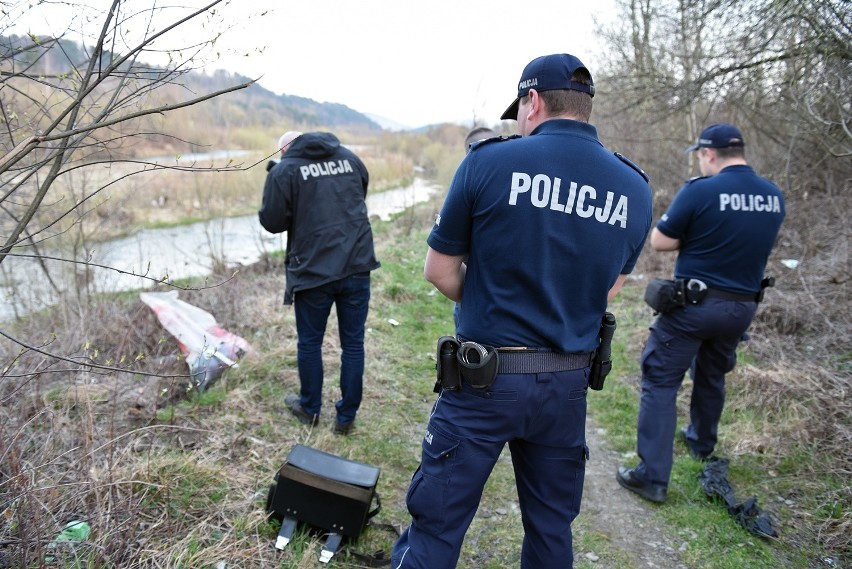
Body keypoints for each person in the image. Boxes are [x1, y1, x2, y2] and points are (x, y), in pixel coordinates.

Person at [391, 53, 653, 569]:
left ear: (533, 101)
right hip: (566, 386)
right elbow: (607, 291)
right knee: (552, 530)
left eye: (520, 110)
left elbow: (440, 271)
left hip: (483, 381)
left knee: (437, 527)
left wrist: (490, 296)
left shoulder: (488, 163)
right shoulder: (635, 188)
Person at [616, 123, 785, 503]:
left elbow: (661, 241)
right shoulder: (773, 196)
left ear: (708, 154)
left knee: (660, 380)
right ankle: (701, 443)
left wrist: (699, 234)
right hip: (742, 307)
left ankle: (652, 477)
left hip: (695, 305)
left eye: (699, 155)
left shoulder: (701, 190)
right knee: (712, 375)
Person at [259, 130, 380, 435]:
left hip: (313, 271)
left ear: (286, 149)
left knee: (310, 343)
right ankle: (345, 417)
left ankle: (310, 408)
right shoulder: (350, 159)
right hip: (356, 263)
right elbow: (358, 194)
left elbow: (271, 222)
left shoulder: (285, 169)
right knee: (353, 343)